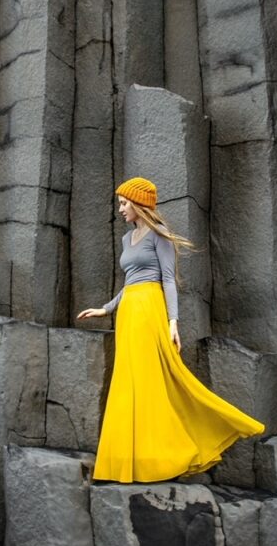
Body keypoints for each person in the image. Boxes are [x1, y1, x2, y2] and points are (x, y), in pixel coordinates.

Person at [77, 176, 265, 483]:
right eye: (121, 203)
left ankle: (177, 449)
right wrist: (106, 309)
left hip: (151, 309)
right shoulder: (127, 240)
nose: (121, 209)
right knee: (127, 384)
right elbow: (130, 283)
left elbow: (167, 280)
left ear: (139, 204)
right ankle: (127, 462)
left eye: (125, 203)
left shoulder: (158, 234)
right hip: (128, 313)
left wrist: (172, 322)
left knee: (153, 382)